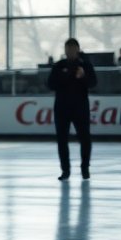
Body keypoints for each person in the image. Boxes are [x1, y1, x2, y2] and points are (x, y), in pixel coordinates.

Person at [48, 37, 97, 181]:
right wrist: (64, 77)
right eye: (67, 49)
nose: (69, 52)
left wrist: (82, 77)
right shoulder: (59, 65)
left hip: (80, 107)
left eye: (72, 49)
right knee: (62, 140)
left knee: (85, 138)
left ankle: (85, 168)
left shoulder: (85, 65)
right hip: (62, 108)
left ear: (77, 49)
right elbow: (50, 84)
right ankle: (65, 170)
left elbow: (93, 83)